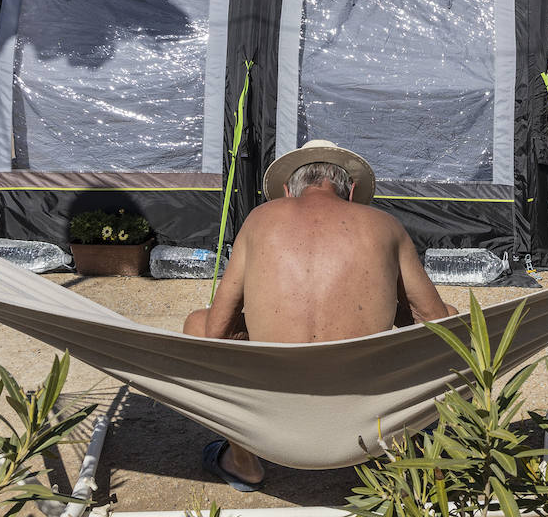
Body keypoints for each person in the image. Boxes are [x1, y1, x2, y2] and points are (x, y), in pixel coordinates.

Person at [183, 139, 455, 491]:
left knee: (196, 323)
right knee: (452, 315)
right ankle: (408, 444)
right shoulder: (385, 224)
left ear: (285, 190)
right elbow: (440, 326)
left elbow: (217, 330)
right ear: (352, 189)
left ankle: (243, 460)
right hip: (363, 410)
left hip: (272, 410)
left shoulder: (259, 219)